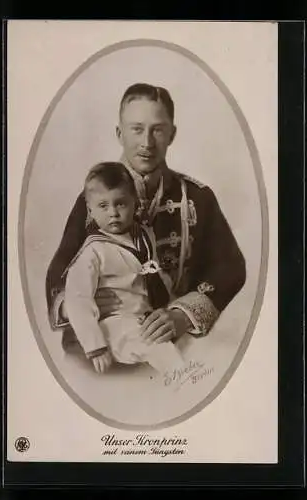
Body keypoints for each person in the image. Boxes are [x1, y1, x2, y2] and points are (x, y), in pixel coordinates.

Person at [46, 83, 246, 352]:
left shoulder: (199, 198)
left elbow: (230, 269)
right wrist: (72, 306)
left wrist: (182, 316)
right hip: (100, 348)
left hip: (173, 348)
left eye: (158, 130)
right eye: (137, 129)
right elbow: (59, 272)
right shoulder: (93, 200)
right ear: (120, 133)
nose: (147, 143)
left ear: (172, 134)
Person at [63, 161, 184, 375]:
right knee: (165, 353)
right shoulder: (94, 250)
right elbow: (78, 299)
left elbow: (154, 274)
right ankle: (184, 386)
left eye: (121, 204)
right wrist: (95, 347)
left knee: (178, 346)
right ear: (90, 210)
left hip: (141, 317)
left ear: (135, 203)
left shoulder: (143, 235)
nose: (113, 213)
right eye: (103, 206)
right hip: (114, 323)